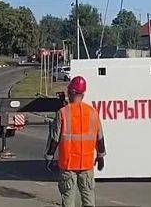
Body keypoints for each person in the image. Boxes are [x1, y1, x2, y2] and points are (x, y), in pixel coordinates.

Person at [45, 76, 106, 207]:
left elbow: (55, 139)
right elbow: (100, 138)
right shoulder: (93, 112)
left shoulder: (63, 113)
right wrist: (101, 157)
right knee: (88, 198)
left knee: (68, 198)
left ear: (71, 92)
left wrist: (49, 157)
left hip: (68, 165)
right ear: (83, 93)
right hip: (87, 164)